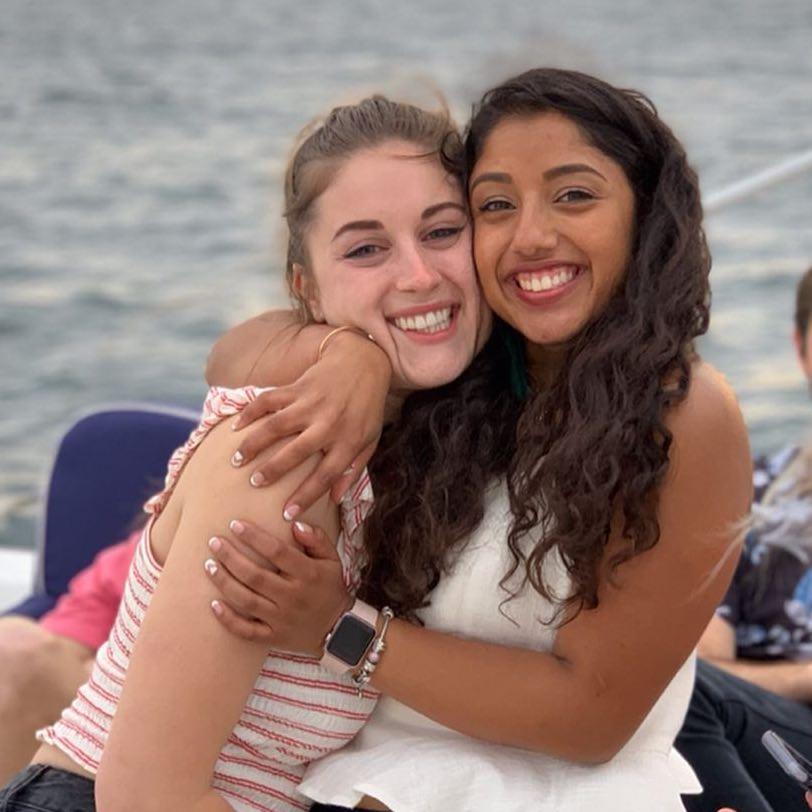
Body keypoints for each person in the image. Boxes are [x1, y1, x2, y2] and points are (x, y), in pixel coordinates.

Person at [198, 68, 752, 811]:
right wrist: (349, 356)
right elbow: (230, 356)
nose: (531, 236)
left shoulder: (684, 415)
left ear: (646, 215)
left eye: (574, 195)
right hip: (352, 782)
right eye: (495, 205)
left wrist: (338, 627)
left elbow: (592, 717)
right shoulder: (456, 367)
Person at [0, 96, 485, 811]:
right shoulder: (280, 459)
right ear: (306, 290)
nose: (418, 274)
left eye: (442, 231)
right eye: (365, 249)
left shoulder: (422, 450)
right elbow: (147, 799)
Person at [675, 265, 812, 812]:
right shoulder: (744, 491)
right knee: (673, 691)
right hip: (772, 733)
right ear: (801, 349)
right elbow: (699, 666)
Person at [0, 533, 137, 785]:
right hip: (105, 703)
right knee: (13, 646)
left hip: (163, 717)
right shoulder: (140, 551)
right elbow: (61, 641)